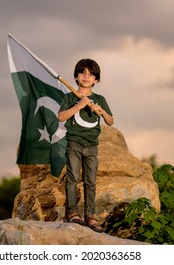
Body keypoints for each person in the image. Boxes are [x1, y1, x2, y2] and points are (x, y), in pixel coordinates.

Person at [58, 58, 114, 233]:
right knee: (72, 179)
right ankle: (72, 213)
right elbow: (61, 117)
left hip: (92, 146)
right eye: (83, 73)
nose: (86, 76)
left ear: (96, 80)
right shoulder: (69, 97)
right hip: (74, 143)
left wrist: (101, 111)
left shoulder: (100, 99)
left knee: (90, 182)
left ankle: (90, 216)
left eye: (91, 74)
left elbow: (110, 122)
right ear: (76, 77)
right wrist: (80, 104)